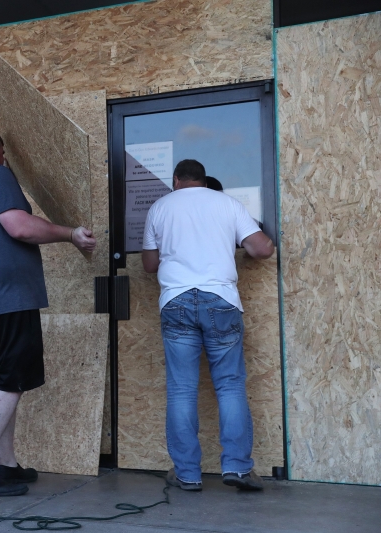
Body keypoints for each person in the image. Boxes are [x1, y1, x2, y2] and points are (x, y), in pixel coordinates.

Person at [0, 126, 96, 496]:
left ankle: (7, 465)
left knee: (3, 382)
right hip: (7, 298)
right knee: (9, 382)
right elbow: (20, 227)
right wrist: (70, 234)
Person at [142, 159, 274, 492]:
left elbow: (148, 264)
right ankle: (239, 469)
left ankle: (187, 473)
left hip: (177, 301)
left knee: (182, 389)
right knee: (230, 385)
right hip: (221, 300)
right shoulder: (228, 203)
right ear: (203, 180)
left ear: (176, 180)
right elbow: (261, 250)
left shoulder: (160, 207)